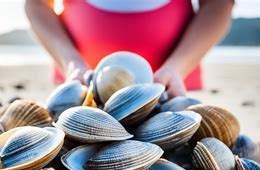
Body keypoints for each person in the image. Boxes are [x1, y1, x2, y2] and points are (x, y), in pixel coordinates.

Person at [26, 0, 234, 98]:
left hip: (173, 86)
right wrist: (70, 63)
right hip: (80, 84)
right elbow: (37, 3)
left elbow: (218, 4)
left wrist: (177, 68)